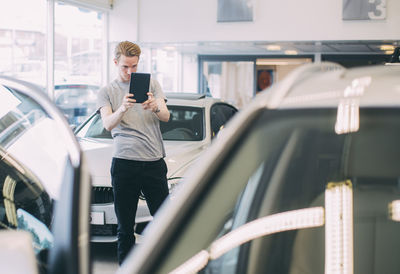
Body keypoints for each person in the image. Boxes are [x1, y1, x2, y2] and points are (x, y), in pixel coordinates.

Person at [96, 41, 170, 265]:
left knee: (165, 222)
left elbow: (166, 116)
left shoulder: (152, 85)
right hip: (124, 164)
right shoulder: (107, 91)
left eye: (134, 67)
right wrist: (123, 108)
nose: (130, 72)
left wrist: (154, 106)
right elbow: (108, 124)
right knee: (125, 228)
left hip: (153, 162)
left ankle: (166, 266)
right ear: (115, 62)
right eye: (125, 67)